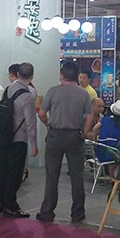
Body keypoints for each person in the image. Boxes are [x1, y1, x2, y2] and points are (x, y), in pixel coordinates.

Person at [36, 61, 94, 224]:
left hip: (55, 135)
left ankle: (47, 212)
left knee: (52, 175)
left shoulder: (53, 91)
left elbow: (41, 113)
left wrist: (48, 124)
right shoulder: (83, 94)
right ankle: (77, 213)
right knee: (77, 176)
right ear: (77, 76)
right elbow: (90, 116)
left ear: (62, 75)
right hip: (75, 136)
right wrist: (84, 132)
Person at [0, 62, 38, 218]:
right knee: (15, 174)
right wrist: (34, 145)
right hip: (19, 139)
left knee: (3, 170)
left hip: (4, 136)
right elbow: (30, 123)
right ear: (32, 76)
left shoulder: (7, 89)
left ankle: (1, 202)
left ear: (18, 74)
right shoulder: (27, 95)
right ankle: (11, 205)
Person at [93, 99, 120, 178]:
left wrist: (95, 142)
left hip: (100, 151)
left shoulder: (105, 119)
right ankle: (115, 178)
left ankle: (109, 176)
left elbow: (94, 129)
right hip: (112, 152)